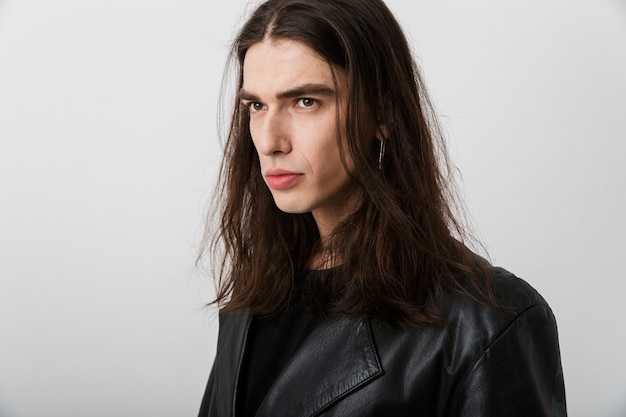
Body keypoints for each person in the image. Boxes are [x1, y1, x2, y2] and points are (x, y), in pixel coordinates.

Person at [198, 0, 567, 415]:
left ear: (383, 113)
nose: (269, 141)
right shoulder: (251, 298)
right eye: (256, 106)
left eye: (305, 101)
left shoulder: (486, 323)